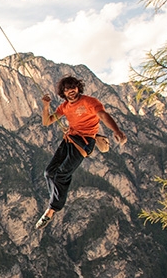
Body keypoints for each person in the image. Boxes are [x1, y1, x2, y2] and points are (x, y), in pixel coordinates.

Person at [35, 76, 127, 230]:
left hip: (84, 142)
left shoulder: (90, 102)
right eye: (67, 89)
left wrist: (116, 130)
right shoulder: (64, 107)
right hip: (69, 139)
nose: (71, 91)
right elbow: (47, 122)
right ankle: (53, 204)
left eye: (74, 87)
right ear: (63, 92)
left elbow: (103, 115)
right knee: (49, 173)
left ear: (78, 87)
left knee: (63, 173)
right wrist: (46, 106)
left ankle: (51, 210)